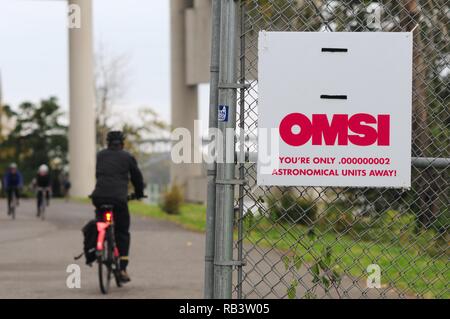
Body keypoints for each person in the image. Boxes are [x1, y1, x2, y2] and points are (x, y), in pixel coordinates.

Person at [91, 131, 144, 283]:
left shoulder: (100, 155)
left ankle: (99, 245)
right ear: (122, 143)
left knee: (101, 222)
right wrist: (139, 193)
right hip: (119, 200)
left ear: (108, 143)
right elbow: (137, 177)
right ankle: (122, 268)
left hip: (99, 197)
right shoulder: (127, 157)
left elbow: (100, 175)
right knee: (122, 231)